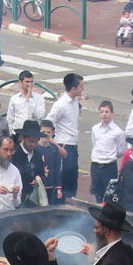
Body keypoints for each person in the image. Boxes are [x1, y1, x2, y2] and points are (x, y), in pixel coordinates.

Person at [48, 73, 85, 202]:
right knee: (62, 183)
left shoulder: (75, 102)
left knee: (72, 182)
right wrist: (57, 146)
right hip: (64, 146)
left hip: (73, 146)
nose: (82, 89)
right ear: (73, 89)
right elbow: (47, 127)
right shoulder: (61, 105)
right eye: (81, 87)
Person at [88, 100, 125, 203]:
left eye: (107, 111)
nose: (104, 114)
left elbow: (121, 150)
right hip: (95, 165)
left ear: (112, 113)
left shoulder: (118, 132)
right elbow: (94, 144)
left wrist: (109, 157)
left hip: (109, 167)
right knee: (97, 193)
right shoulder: (95, 128)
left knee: (109, 194)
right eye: (101, 112)